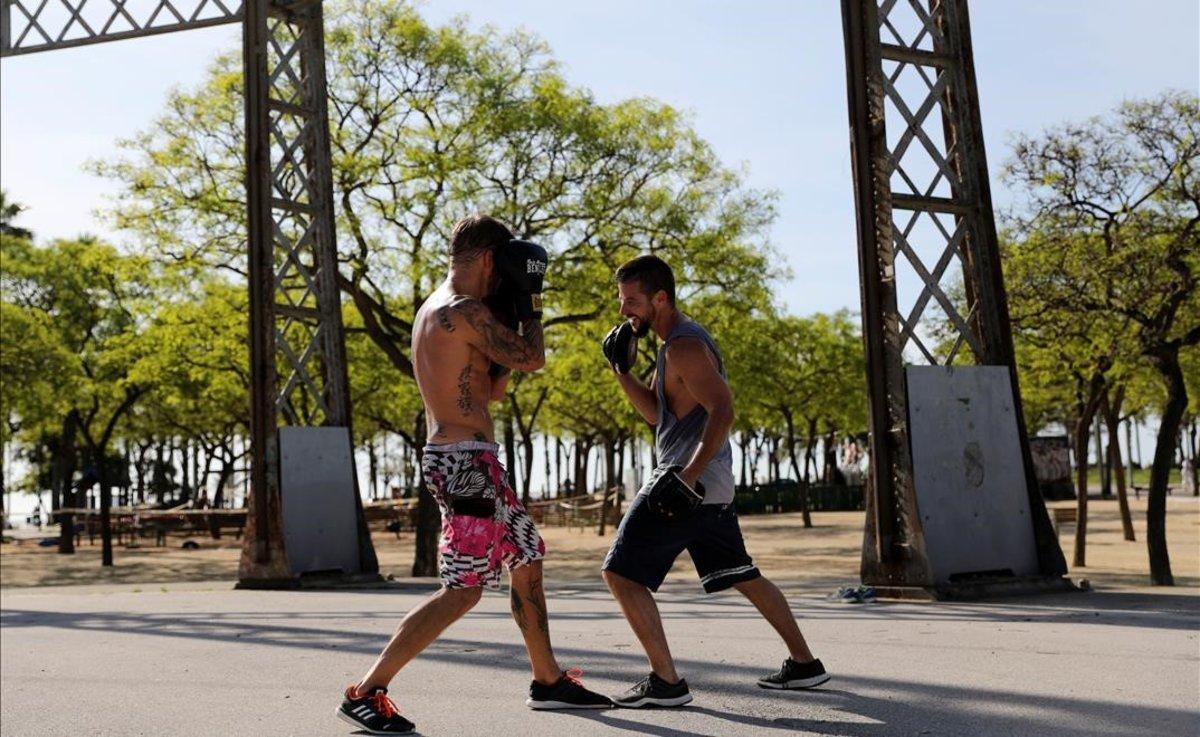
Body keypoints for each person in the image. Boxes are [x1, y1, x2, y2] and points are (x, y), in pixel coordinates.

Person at [337, 215, 611, 735]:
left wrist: (501, 328)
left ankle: (548, 680)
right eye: (502, 267)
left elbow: (496, 390)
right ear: (489, 260)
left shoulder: (440, 309)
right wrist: (530, 299)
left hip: (476, 460)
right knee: (463, 589)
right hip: (464, 464)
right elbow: (532, 357)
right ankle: (367, 690)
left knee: (526, 557)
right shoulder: (460, 310)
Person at [600, 255, 830, 708]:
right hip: (710, 488)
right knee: (742, 574)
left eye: (632, 301)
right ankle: (804, 665)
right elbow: (656, 415)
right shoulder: (671, 348)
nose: (625, 311)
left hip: (688, 484)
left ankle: (666, 682)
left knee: (620, 573)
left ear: (660, 298)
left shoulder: (684, 346)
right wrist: (621, 373)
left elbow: (724, 409)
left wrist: (687, 476)